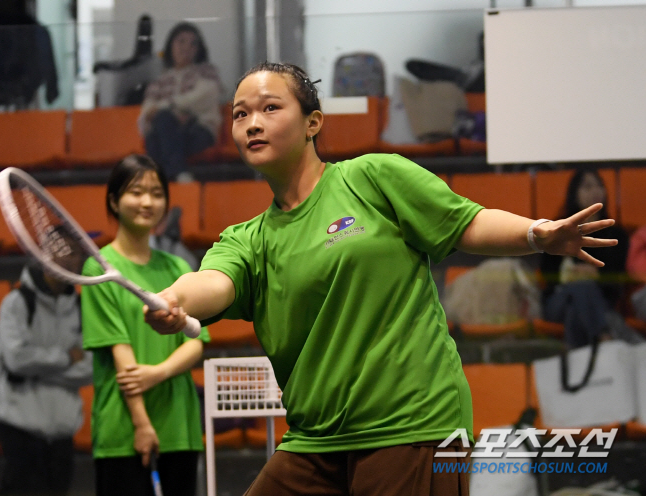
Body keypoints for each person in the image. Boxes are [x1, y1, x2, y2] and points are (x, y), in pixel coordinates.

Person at [144, 62, 618, 495]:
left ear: (313, 123)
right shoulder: (248, 239)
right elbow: (213, 284)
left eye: (270, 108)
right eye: (240, 114)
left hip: (411, 425)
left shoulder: (372, 178)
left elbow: (465, 221)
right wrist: (174, 298)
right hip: (317, 438)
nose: (252, 123)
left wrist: (537, 234)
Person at [80, 154, 210, 496]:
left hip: (178, 425)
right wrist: (141, 424)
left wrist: (159, 373)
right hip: (125, 428)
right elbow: (122, 356)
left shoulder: (179, 267)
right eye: (136, 192)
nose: (147, 201)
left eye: (156, 192)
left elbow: (196, 341)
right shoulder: (98, 270)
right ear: (114, 200)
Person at [0, 261, 92, 496]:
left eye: (72, 256)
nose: (65, 261)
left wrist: (36, 372)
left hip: (62, 435)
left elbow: (90, 368)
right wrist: (66, 358)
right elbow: (16, 360)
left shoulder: (80, 306)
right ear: (43, 257)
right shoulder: (16, 302)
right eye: (57, 254)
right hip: (20, 430)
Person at [539, 170, 630, 348]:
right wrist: (575, 274)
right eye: (588, 186)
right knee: (581, 286)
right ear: (575, 194)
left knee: (576, 309)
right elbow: (548, 274)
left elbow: (616, 275)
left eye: (599, 185)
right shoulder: (558, 230)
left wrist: (593, 274)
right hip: (559, 300)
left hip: (599, 302)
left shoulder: (616, 234)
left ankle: (581, 365)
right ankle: (604, 338)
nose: (595, 190)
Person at [139, 22, 222, 182]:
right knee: (157, 131)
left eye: (193, 43)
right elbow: (147, 113)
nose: (187, 47)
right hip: (169, 133)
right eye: (181, 41)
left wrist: (171, 108)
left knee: (161, 130)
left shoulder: (206, 72)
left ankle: (160, 182)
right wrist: (172, 116)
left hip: (199, 130)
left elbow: (205, 96)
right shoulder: (160, 80)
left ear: (198, 49)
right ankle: (179, 175)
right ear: (170, 46)